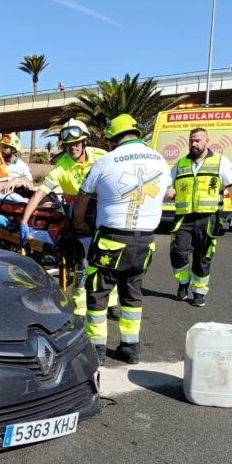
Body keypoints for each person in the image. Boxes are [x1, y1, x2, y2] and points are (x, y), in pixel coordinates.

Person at [73, 114, 171, 365]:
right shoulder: (159, 159)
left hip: (112, 239)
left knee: (97, 294)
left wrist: (79, 223)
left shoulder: (106, 161)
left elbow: (82, 198)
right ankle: (130, 348)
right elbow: (167, 192)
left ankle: (97, 350)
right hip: (145, 241)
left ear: (112, 138)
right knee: (132, 294)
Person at [19, 118, 109, 315]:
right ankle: (80, 305)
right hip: (80, 216)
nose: (72, 148)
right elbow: (39, 194)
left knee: (109, 260)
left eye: (76, 143)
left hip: (104, 212)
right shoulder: (62, 166)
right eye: (68, 145)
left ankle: (111, 303)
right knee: (84, 260)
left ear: (84, 142)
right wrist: (24, 222)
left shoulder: (101, 157)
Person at [166, 127, 232, 307]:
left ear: (207, 141)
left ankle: (199, 292)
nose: (194, 144)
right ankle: (183, 282)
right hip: (183, 218)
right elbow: (169, 187)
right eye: (191, 140)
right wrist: (168, 192)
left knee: (203, 256)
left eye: (198, 140)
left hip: (208, 218)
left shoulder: (220, 161)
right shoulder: (181, 163)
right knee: (178, 253)